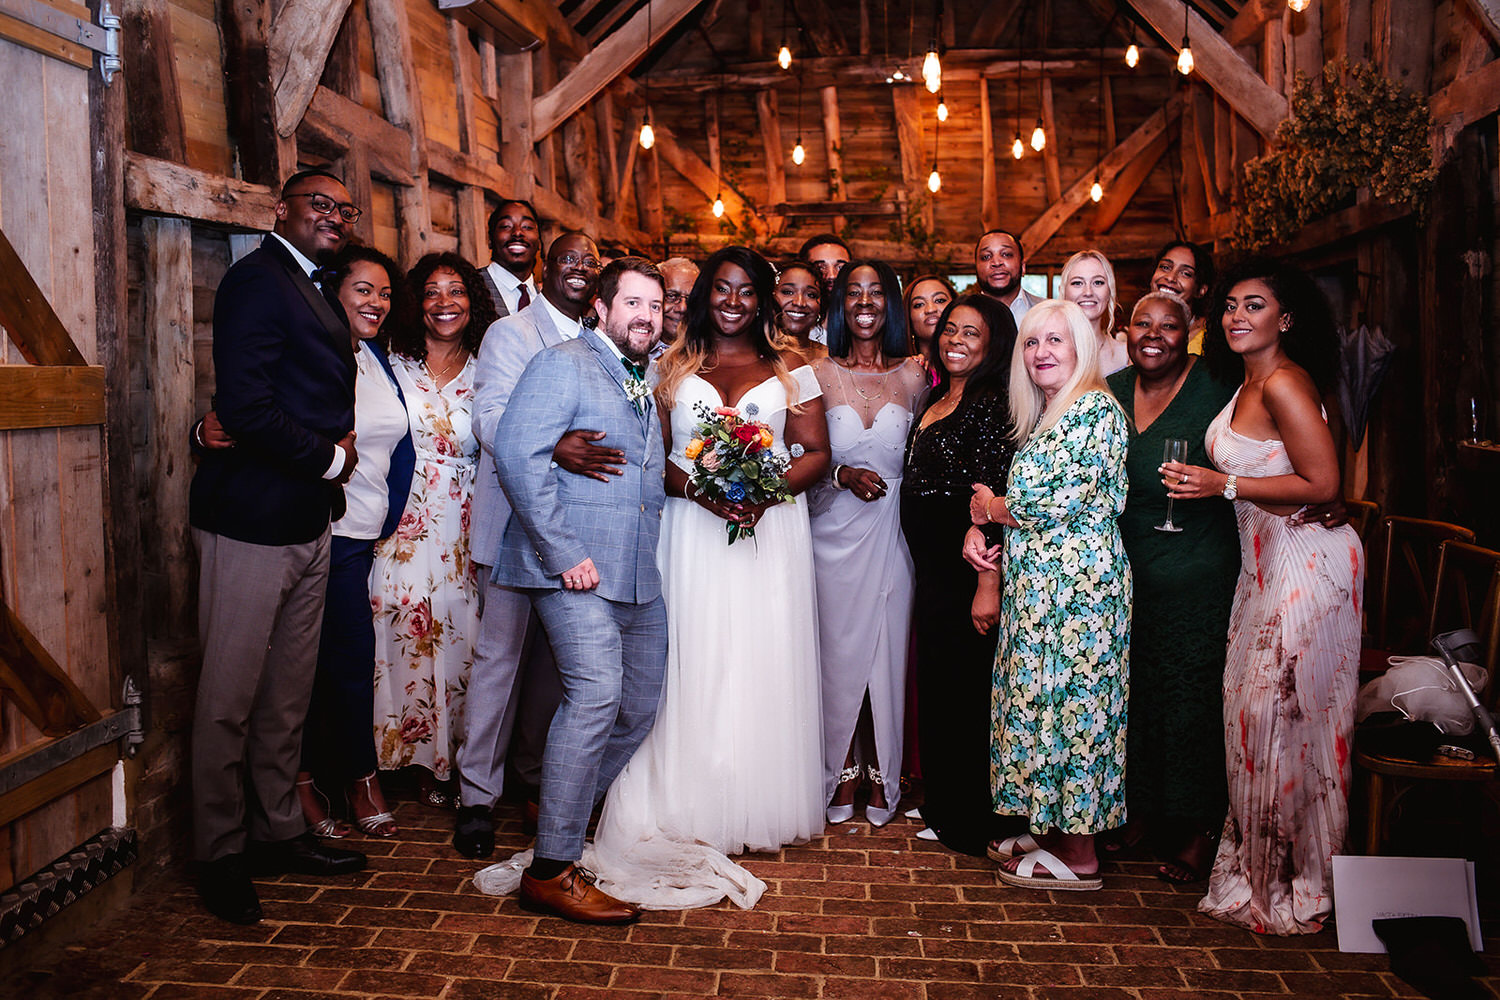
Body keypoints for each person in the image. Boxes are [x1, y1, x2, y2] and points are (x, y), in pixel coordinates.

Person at [586, 245, 831, 910]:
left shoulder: (792, 367)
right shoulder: (668, 365)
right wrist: (703, 491)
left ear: (763, 299)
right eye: (721, 289)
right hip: (691, 529)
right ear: (701, 298)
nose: (732, 301)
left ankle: (753, 798)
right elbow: (650, 457)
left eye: (746, 290)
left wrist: (764, 487)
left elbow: (817, 453)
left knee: (756, 657)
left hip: (766, 530)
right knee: (692, 655)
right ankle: (685, 796)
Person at [188, 168, 367, 925]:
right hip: (251, 518)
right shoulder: (258, 280)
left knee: (285, 696)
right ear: (281, 209)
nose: (333, 216)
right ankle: (219, 853)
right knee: (228, 698)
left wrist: (324, 484)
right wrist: (333, 460)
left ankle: (276, 831)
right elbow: (247, 407)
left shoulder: (316, 286)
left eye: (342, 209)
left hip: (306, 521)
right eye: (318, 204)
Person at [1163, 257, 1362, 935]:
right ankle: (1263, 871)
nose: (1237, 317)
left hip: (1308, 565)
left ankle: (1297, 883)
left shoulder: (1282, 382)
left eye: (1254, 305)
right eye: (1229, 307)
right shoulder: (1245, 379)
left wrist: (1223, 485)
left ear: (1287, 318)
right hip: (1263, 567)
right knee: (1254, 722)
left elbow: (1324, 483)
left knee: (1282, 721)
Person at [493, 256, 671, 924]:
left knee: (639, 703)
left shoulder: (642, 374)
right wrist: (565, 553)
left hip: (635, 571)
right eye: (632, 303)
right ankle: (550, 869)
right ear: (600, 306)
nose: (645, 317)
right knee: (595, 693)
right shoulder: (564, 361)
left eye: (654, 307)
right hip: (572, 566)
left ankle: (561, 816)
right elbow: (516, 451)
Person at [965, 299, 1131, 892]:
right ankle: (1056, 828)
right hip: (1044, 585)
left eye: (1055, 341)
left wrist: (992, 508)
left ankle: (1080, 852)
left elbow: (1050, 504)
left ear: (1081, 347)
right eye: (1033, 343)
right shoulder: (1052, 412)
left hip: (1078, 590)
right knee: (1043, 703)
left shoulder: (1091, 409)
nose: (1041, 353)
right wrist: (999, 536)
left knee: (1076, 706)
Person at [457, 233, 609, 859]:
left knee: (561, 674)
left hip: (585, 536)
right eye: (569, 257)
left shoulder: (603, 338)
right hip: (518, 520)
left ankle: (546, 791)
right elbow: (488, 417)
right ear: (545, 267)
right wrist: (553, 444)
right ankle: (474, 799)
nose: (580, 268)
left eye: (590, 261)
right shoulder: (511, 335)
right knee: (500, 663)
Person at [1103, 291, 1238, 883]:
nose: (1154, 336)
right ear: (1125, 330)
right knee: (1137, 693)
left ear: (1190, 334)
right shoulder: (1107, 387)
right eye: (1143, 325)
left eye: (1169, 326)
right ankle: (1145, 813)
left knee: (1192, 698)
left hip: (1197, 568)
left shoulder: (1216, 383)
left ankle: (1198, 827)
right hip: (1125, 569)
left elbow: (1271, 444)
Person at [370, 252, 496, 807]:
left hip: (462, 523)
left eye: (457, 291)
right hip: (399, 512)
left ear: (473, 301)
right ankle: (389, 760)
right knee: (391, 618)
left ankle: (444, 766)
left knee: (455, 632)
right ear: (415, 303)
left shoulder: (488, 368)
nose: (445, 303)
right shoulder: (391, 363)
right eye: (432, 292)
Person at [900, 294, 1018, 855]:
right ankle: (946, 808)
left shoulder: (994, 404)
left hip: (967, 570)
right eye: (950, 330)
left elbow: (993, 499)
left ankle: (975, 819)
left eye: (972, 333)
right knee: (941, 688)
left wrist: (987, 584)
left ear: (994, 344)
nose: (956, 341)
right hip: (931, 570)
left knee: (970, 694)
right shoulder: (936, 395)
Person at [810, 260, 925, 828]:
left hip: (892, 532)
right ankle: (839, 770)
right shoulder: (816, 371)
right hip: (830, 532)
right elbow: (798, 454)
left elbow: (927, 456)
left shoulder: (915, 376)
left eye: (876, 292)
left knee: (886, 650)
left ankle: (881, 767)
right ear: (839, 305)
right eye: (853, 292)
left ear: (891, 304)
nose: (864, 301)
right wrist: (839, 475)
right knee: (834, 654)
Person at [1060, 250, 1129, 376]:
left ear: (1110, 292)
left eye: (1098, 282)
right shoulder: (1048, 354)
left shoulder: (1126, 355)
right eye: (1077, 283)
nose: (1088, 292)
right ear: (1063, 291)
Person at [478, 199, 541, 318]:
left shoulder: (547, 299)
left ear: (539, 243)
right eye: (506, 226)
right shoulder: (471, 287)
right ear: (490, 239)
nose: (517, 232)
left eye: (527, 227)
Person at [1151, 240, 1214, 355]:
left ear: (1201, 290)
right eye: (1165, 267)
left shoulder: (1210, 339)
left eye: (1185, 273)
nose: (1170, 278)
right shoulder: (1139, 328)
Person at [974, 230, 1041, 327]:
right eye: (986, 257)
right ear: (976, 268)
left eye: (1006, 254)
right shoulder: (960, 316)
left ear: (1023, 267)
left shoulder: (1048, 311)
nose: (996, 263)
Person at [800, 233, 850, 344]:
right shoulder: (791, 324)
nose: (832, 275)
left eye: (840, 267)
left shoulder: (864, 324)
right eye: (821, 267)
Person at [773, 258, 826, 360]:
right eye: (788, 292)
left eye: (811, 295)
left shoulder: (830, 358)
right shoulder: (752, 356)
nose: (799, 303)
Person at [903, 274, 955, 363]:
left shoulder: (975, 364)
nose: (930, 310)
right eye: (919, 304)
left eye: (939, 300)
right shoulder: (900, 371)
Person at [657, 256, 699, 354]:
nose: (683, 308)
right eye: (671, 296)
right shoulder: (634, 347)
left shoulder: (707, 354)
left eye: (690, 299)